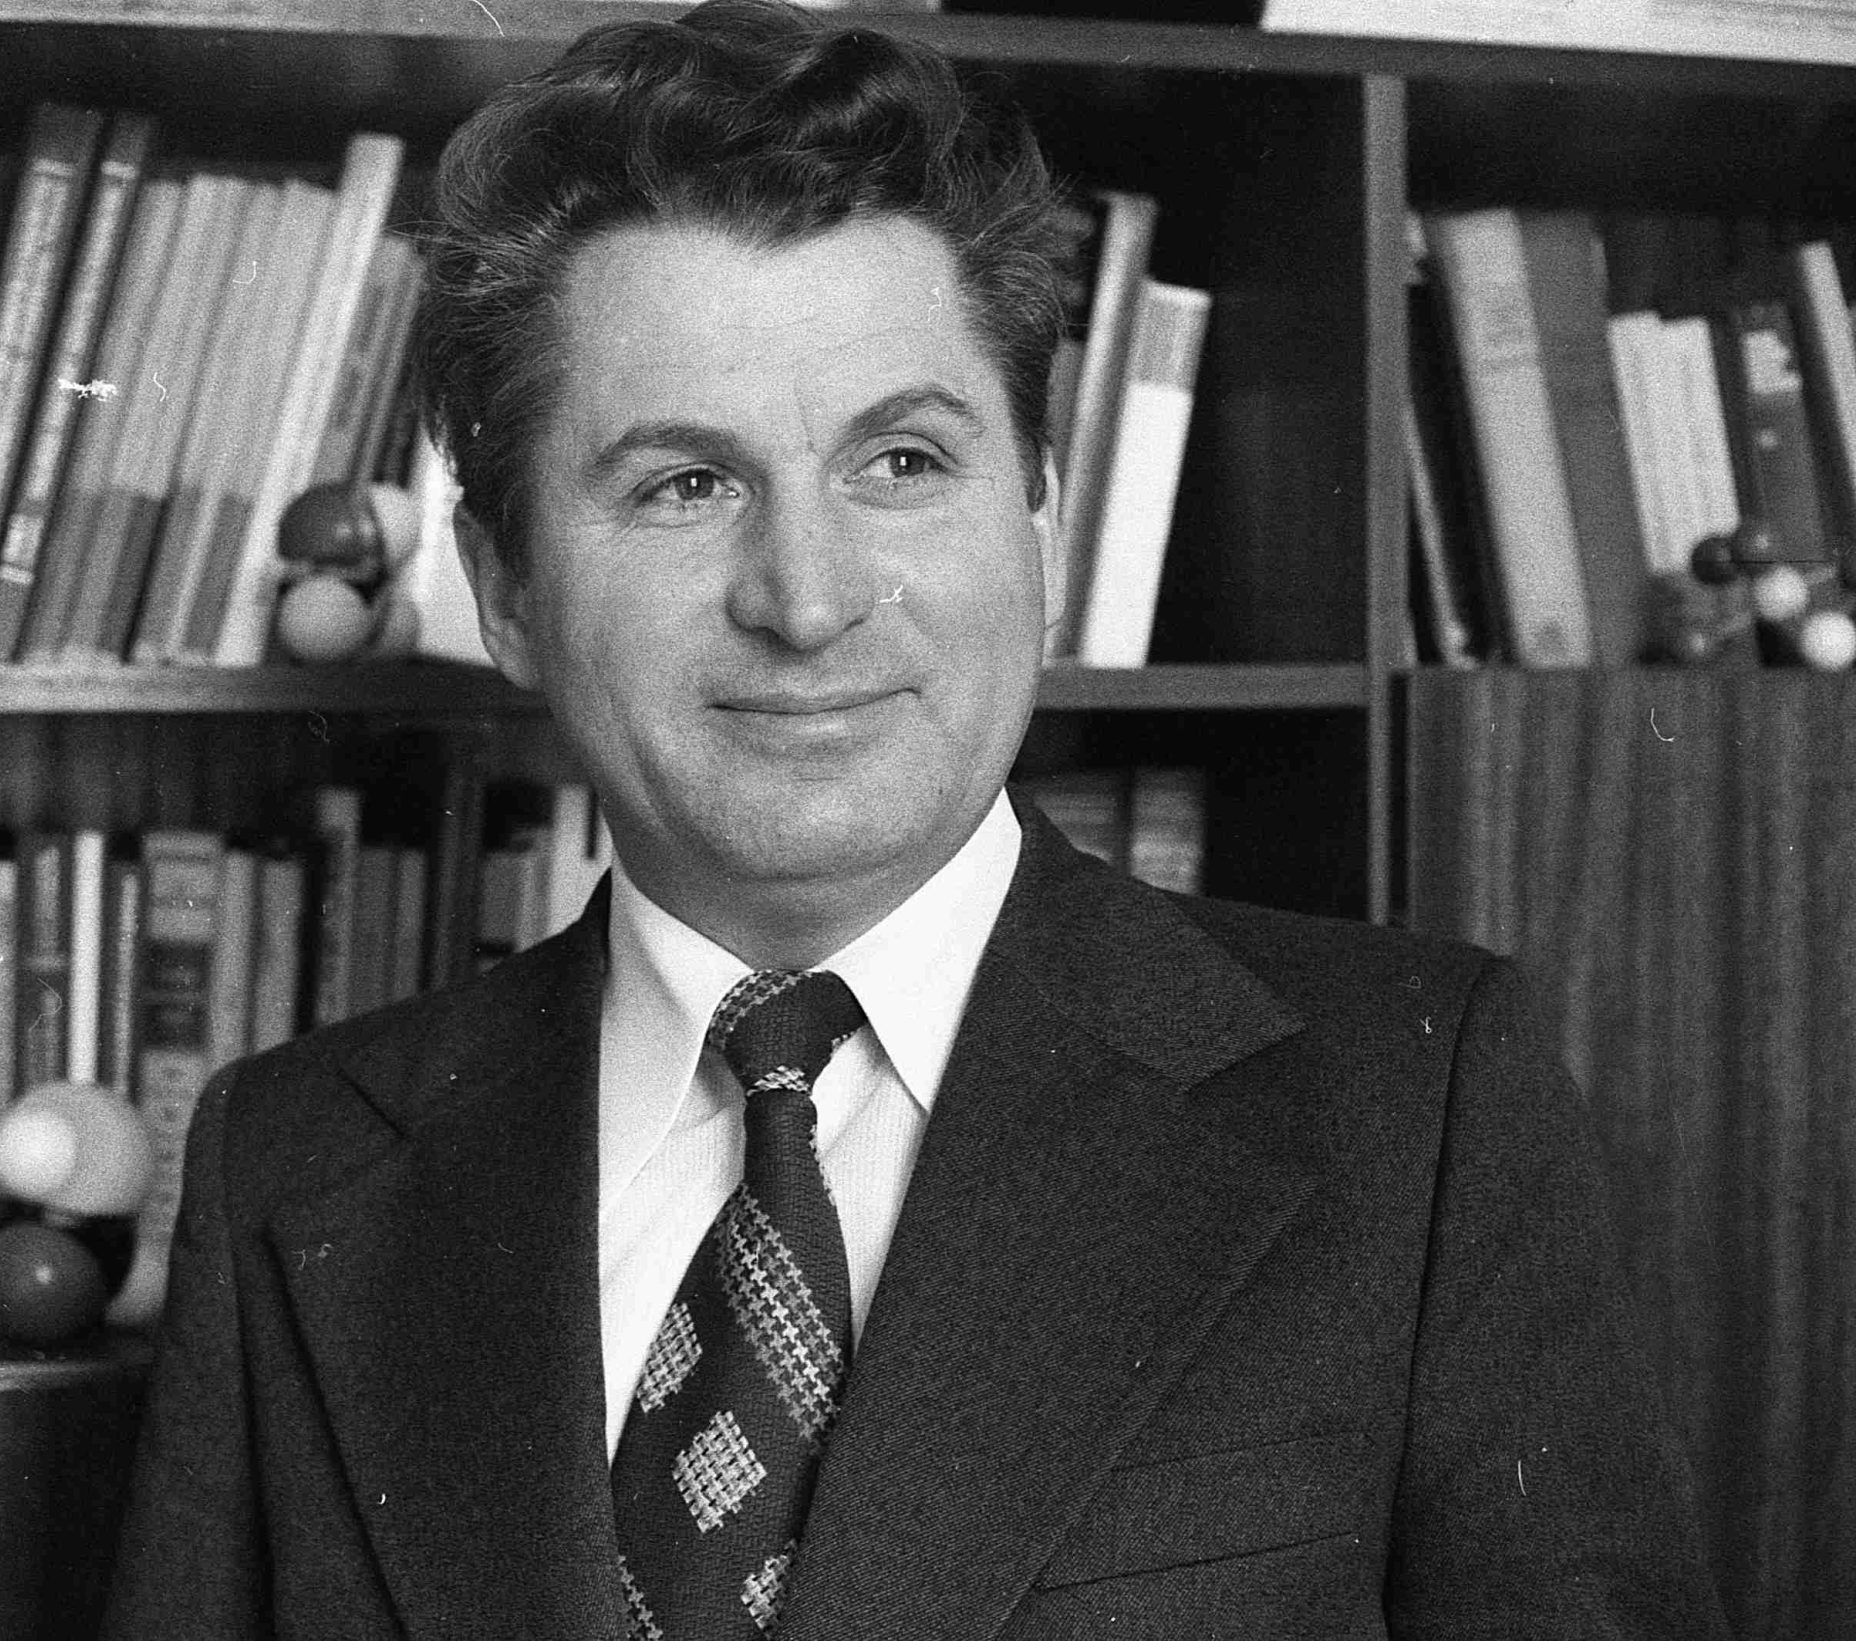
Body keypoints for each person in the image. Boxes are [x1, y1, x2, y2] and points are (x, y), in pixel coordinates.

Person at [103, 3, 1727, 1635]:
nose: (806, 600)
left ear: (1038, 517)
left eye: (899, 460)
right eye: (684, 484)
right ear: (507, 589)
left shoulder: (1418, 1108)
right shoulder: (285, 1164)